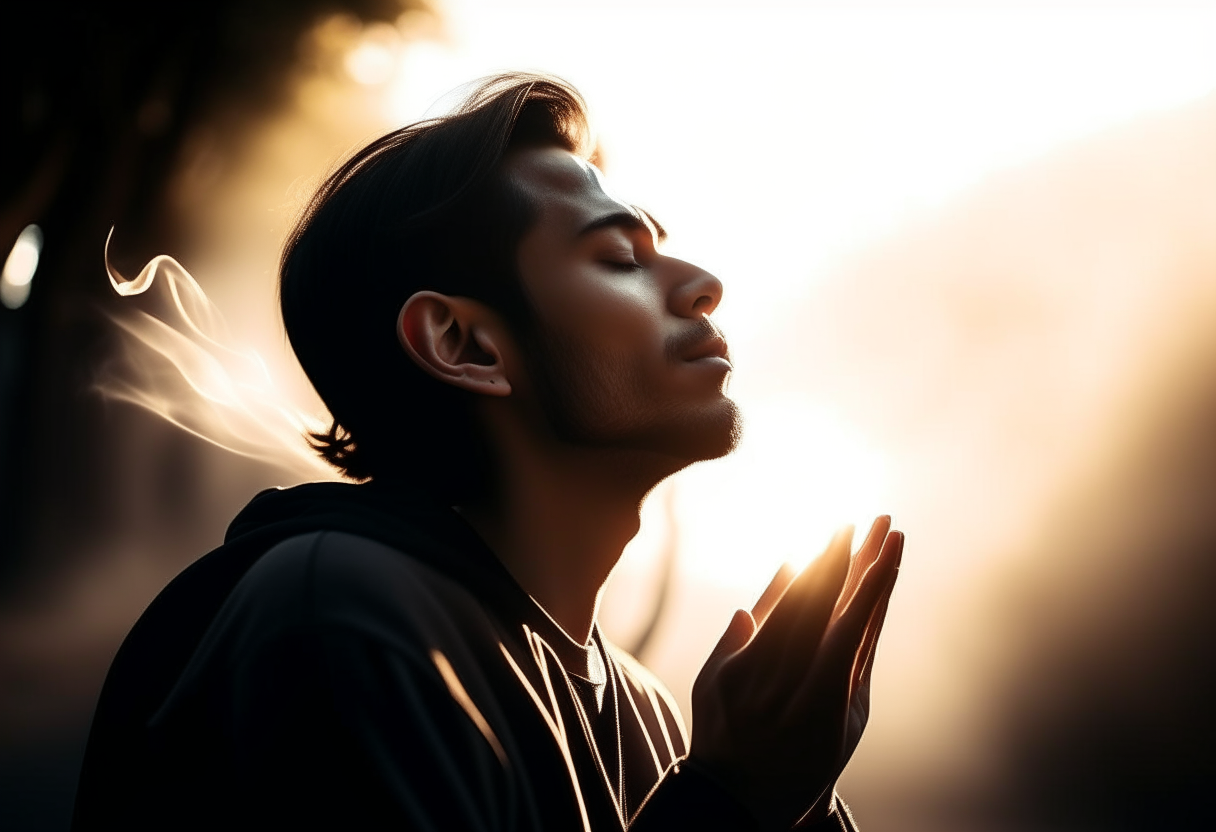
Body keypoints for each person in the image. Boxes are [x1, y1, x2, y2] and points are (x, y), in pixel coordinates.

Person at [73, 73, 902, 831]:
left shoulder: (653, 718)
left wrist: (796, 796)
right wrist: (732, 802)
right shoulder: (345, 616)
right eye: (618, 257)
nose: (701, 281)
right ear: (465, 345)